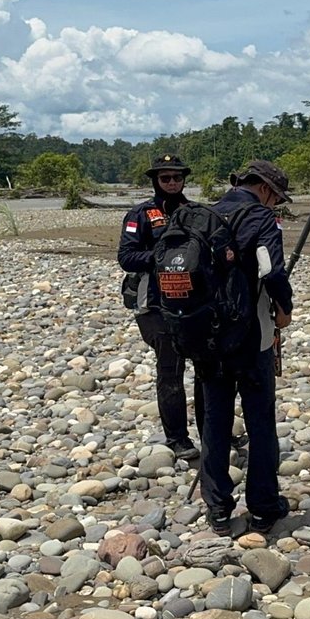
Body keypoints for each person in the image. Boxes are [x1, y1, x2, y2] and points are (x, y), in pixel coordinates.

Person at [196, 159, 296, 536]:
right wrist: (284, 309)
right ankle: (263, 507)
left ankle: (218, 509)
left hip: (208, 337)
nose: (276, 204)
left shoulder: (203, 216)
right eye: (277, 198)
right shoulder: (261, 218)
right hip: (252, 337)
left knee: (215, 422)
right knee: (260, 422)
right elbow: (272, 271)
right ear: (265, 189)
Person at [118, 153, 203, 462]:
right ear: (155, 180)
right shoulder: (140, 214)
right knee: (170, 370)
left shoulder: (196, 213)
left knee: (207, 370)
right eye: (165, 178)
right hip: (155, 305)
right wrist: (162, 257)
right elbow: (126, 257)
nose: (172, 183)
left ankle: (212, 432)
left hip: (195, 304)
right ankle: (177, 438)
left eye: (177, 177)